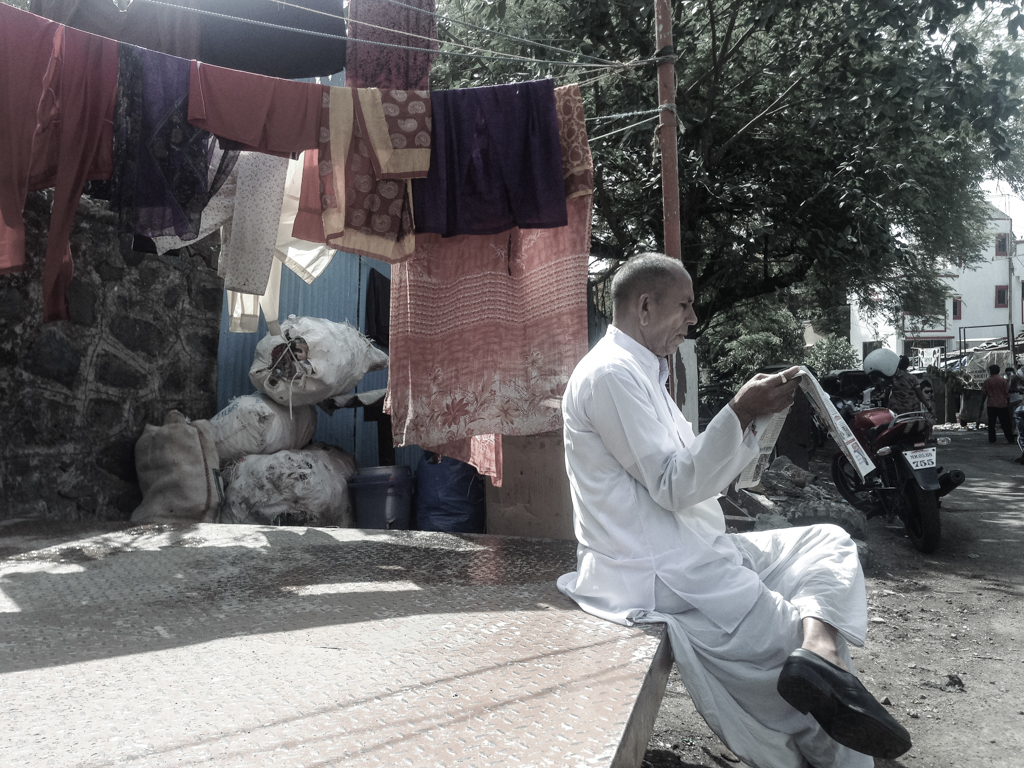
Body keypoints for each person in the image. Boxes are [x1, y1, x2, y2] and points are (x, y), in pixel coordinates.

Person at [557, 253, 911, 768]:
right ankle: (849, 753)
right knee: (788, 645)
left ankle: (822, 650)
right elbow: (674, 485)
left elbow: (689, 471)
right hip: (660, 569)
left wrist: (752, 421)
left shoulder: (643, 371)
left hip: (698, 548)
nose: (694, 319)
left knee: (828, 542)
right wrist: (741, 410)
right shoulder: (611, 374)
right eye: (685, 306)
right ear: (646, 305)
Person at [981, 364, 1013, 444]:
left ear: (990, 371)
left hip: (991, 405)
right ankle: (1010, 439)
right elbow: (1007, 393)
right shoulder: (1003, 381)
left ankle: (992, 439)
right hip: (1002, 404)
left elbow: (984, 394)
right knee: (1006, 423)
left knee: (991, 423)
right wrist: (1008, 403)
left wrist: (981, 404)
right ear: (998, 371)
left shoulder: (987, 381)